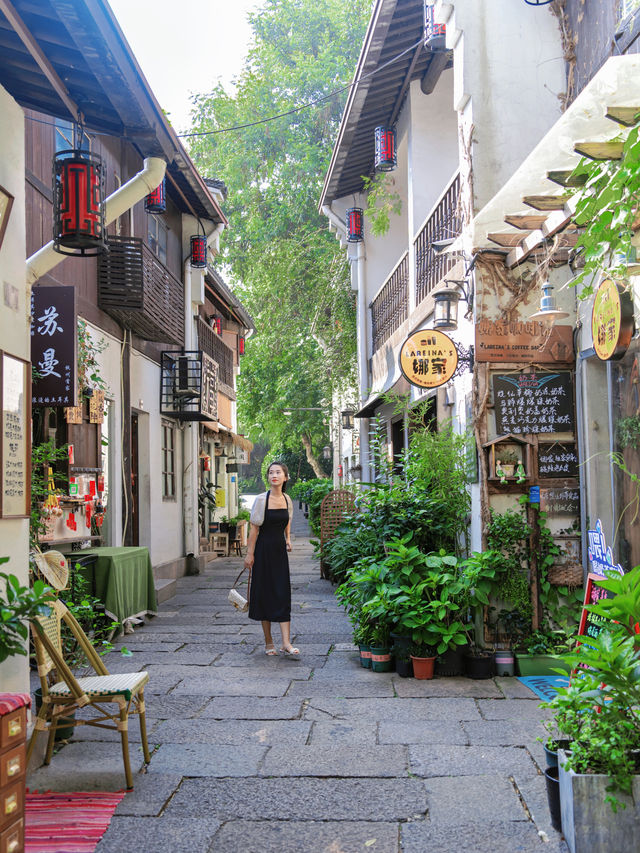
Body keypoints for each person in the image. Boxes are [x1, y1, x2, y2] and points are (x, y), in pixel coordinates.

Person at [244, 461, 300, 658]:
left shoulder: (287, 499)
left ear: (285, 477)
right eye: (271, 472)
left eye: (278, 472)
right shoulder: (261, 500)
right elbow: (254, 528)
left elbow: (288, 521)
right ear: (268, 477)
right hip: (263, 551)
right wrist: (250, 553)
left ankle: (286, 642)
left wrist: (288, 539)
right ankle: (269, 641)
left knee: (282, 593)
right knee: (265, 594)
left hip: (279, 553)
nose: (274, 475)